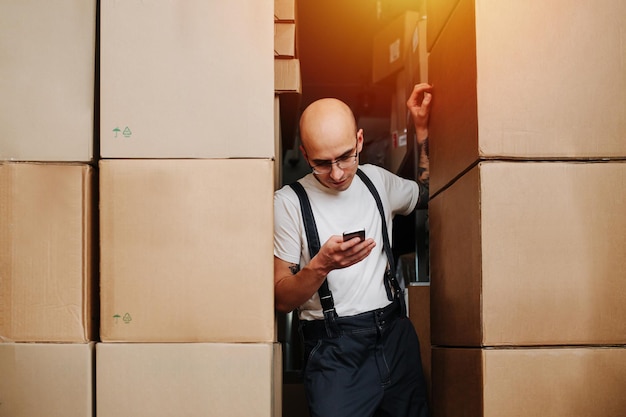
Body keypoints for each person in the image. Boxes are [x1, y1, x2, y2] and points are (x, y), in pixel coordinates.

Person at [273, 83, 433, 417]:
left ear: (359, 141)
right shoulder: (288, 203)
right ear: (304, 155)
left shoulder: (377, 181)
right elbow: (282, 298)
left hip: (394, 337)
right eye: (321, 163)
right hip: (335, 356)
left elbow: (428, 191)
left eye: (345, 157)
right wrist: (321, 266)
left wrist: (421, 131)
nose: (336, 173)